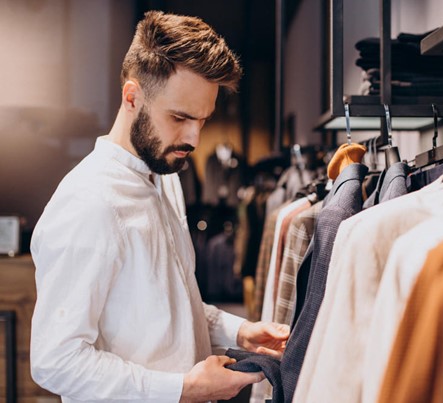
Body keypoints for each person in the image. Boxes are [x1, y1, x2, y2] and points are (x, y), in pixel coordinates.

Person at [29, 11, 289, 402]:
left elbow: (168, 304)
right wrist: (183, 389)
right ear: (132, 96)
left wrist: (237, 331)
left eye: (203, 119)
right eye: (180, 117)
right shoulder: (88, 203)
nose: (194, 138)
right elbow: (56, 360)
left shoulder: (165, 176)